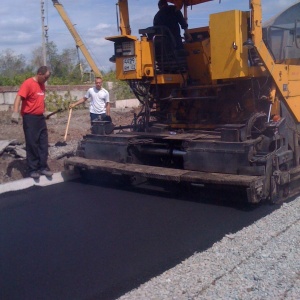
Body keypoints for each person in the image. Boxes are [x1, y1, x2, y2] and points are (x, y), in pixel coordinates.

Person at [11, 66, 53, 179]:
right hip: (30, 118)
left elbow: (40, 100)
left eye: (47, 78)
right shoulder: (28, 83)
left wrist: (44, 111)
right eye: (45, 78)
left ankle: (43, 167)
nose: (46, 80)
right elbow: (19, 97)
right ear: (39, 74)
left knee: (43, 143)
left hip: (40, 118)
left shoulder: (42, 84)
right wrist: (15, 112)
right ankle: (33, 169)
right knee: (32, 144)